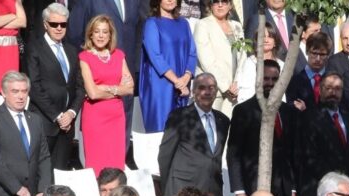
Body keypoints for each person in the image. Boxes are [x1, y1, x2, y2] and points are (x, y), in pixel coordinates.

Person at [0, 70, 52, 196]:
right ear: (3, 93)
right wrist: (16, 187)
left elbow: (44, 157)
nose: (20, 96)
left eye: (24, 91)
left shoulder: (35, 120)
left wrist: (43, 191)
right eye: (15, 91)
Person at [228, 60, 297, 196]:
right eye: (266, 79)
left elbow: (293, 154)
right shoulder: (243, 111)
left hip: (283, 188)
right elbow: (234, 153)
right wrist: (239, 191)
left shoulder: (289, 112)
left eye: (275, 79)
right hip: (253, 186)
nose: (270, 83)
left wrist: (293, 189)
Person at [25, 3, 85, 171]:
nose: (59, 28)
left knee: (60, 174)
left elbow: (79, 87)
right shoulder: (34, 48)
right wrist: (58, 116)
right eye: (54, 24)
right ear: (45, 24)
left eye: (63, 24)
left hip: (67, 126)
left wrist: (71, 113)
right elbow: (34, 87)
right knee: (41, 173)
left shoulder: (72, 51)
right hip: (45, 122)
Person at [158, 72, 231, 196]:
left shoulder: (223, 120)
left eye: (211, 87)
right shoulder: (179, 117)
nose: (207, 92)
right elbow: (165, 156)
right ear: (193, 91)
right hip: (183, 191)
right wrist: (168, 189)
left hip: (212, 195)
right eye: (202, 87)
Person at [293, 72, 349, 196]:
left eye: (337, 89)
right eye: (328, 88)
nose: (333, 92)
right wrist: (336, 182)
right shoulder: (308, 118)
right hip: (316, 195)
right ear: (320, 90)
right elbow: (309, 157)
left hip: (346, 193)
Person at [79, 15, 134, 175]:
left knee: (116, 162)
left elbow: (130, 88)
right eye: (97, 32)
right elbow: (93, 93)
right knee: (97, 163)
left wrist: (107, 88)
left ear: (111, 35)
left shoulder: (119, 55)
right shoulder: (85, 57)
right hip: (95, 117)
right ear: (91, 34)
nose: (101, 36)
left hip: (116, 116)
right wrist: (117, 89)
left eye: (105, 32)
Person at [139, 0, 197, 133]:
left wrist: (186, 78)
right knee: (161, 131)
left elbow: (192, 53)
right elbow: (155, 56)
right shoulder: (152, 23)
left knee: (181, 131)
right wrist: (177, 81)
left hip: (182, 85)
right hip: (160, 86)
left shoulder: (184, 23)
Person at [194, 0, 246, 118]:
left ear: (230, 5)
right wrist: (226, 87)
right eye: (216, 2)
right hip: (212, 90)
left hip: (235, 91)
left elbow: (243, 56)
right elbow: (206, 60)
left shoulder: (237, 26)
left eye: (224, 1)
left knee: (230, 131)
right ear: (210, 5)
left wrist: (237, 83)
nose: (220, 5)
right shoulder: (202, 25)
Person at [236, 23, 284, 103]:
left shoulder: (282, 65)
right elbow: (244, 92)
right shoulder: (249, 63)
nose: (266, 40)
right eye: (262, 37)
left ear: (275, 42)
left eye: (270, 37)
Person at [286, 31, 332, 111]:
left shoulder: (333, 80)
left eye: (322, 54)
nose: (318, 59)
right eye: (314, 53)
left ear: (328, 55)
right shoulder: (294, 82)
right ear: (307, 52)